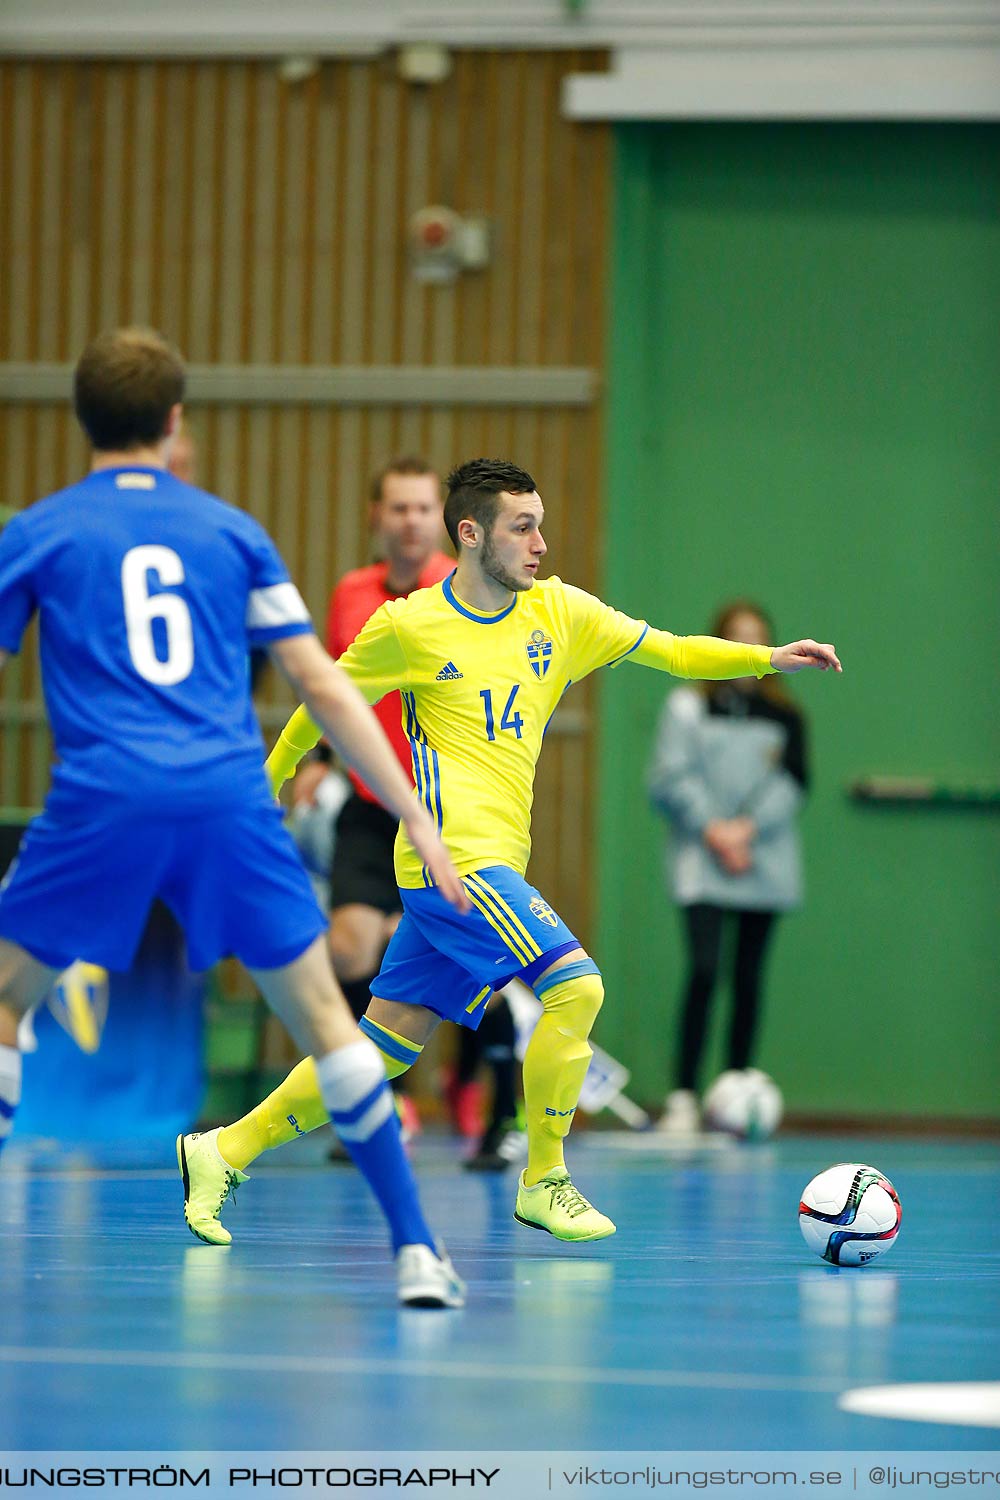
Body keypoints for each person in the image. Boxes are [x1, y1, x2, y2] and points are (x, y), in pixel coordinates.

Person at [202, 457, 841, 1243]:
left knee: (379, 1051)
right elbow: (325, 703)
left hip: (493, 864)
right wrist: (271, 782)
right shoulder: (408, 627)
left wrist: (769, 660)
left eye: (541, 524)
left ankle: (224, 1148)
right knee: (576, 988)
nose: (540, 543)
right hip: (453, 865)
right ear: (470, 534)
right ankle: (545, 1178)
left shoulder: (559, 615)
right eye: (522, 526)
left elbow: (672, 651)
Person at [0, 327, 468, 1309]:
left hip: (103, 797)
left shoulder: (38, 532)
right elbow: (325, 687)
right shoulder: (232, 531)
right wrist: (415, 817)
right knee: (329, 1025)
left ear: (79, 420)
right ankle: (417, 1253)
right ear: (177, 423)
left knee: (5, 1006)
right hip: (224, 798)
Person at [291, 458, 520, 1165]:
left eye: (423, 509)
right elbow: (343, 691)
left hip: (445, 811)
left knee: (468, 962)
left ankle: (500, 1109)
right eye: (398, 509)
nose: (411, 521)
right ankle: (376, 1100)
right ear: (376, 517)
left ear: (448, 524)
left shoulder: (464, 592)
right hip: (370, 805)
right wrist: (317, 762)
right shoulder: (352, 594)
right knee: (351, 946)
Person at [648, 600, 809, 1134]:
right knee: (704, 970)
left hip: (764, 861)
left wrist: (748, 830)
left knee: (748, 978)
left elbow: (794, 782)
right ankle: (683, 1096)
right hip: (703, 860)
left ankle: (737, 1089)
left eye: (757, 640)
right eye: (736, 640)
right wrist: (715, 829)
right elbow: (671, 776)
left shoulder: (787, 715)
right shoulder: (686, 707)